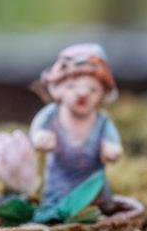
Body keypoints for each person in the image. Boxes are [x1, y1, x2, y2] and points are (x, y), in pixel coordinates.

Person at [30, 43, 122, 208]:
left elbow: (113, 142)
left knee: (97, 208)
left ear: (103, 93)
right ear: (57, 88)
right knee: (57, 210)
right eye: (71, 87)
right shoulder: (51, 115)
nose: (83, 94)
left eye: (93, 89)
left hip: (94, 190)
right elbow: (37, 130)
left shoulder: (102, 121)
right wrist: (40, 137)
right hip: (58, 189)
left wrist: (111, 148)